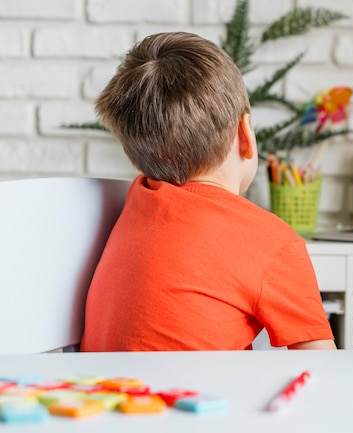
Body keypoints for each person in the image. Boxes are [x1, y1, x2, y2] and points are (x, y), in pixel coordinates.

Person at [81, 32, 336, 351]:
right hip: (191, 400)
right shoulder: (271, 242)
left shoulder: (138, 199)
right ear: (245, 135)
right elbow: (321, 366)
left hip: (104, 397)